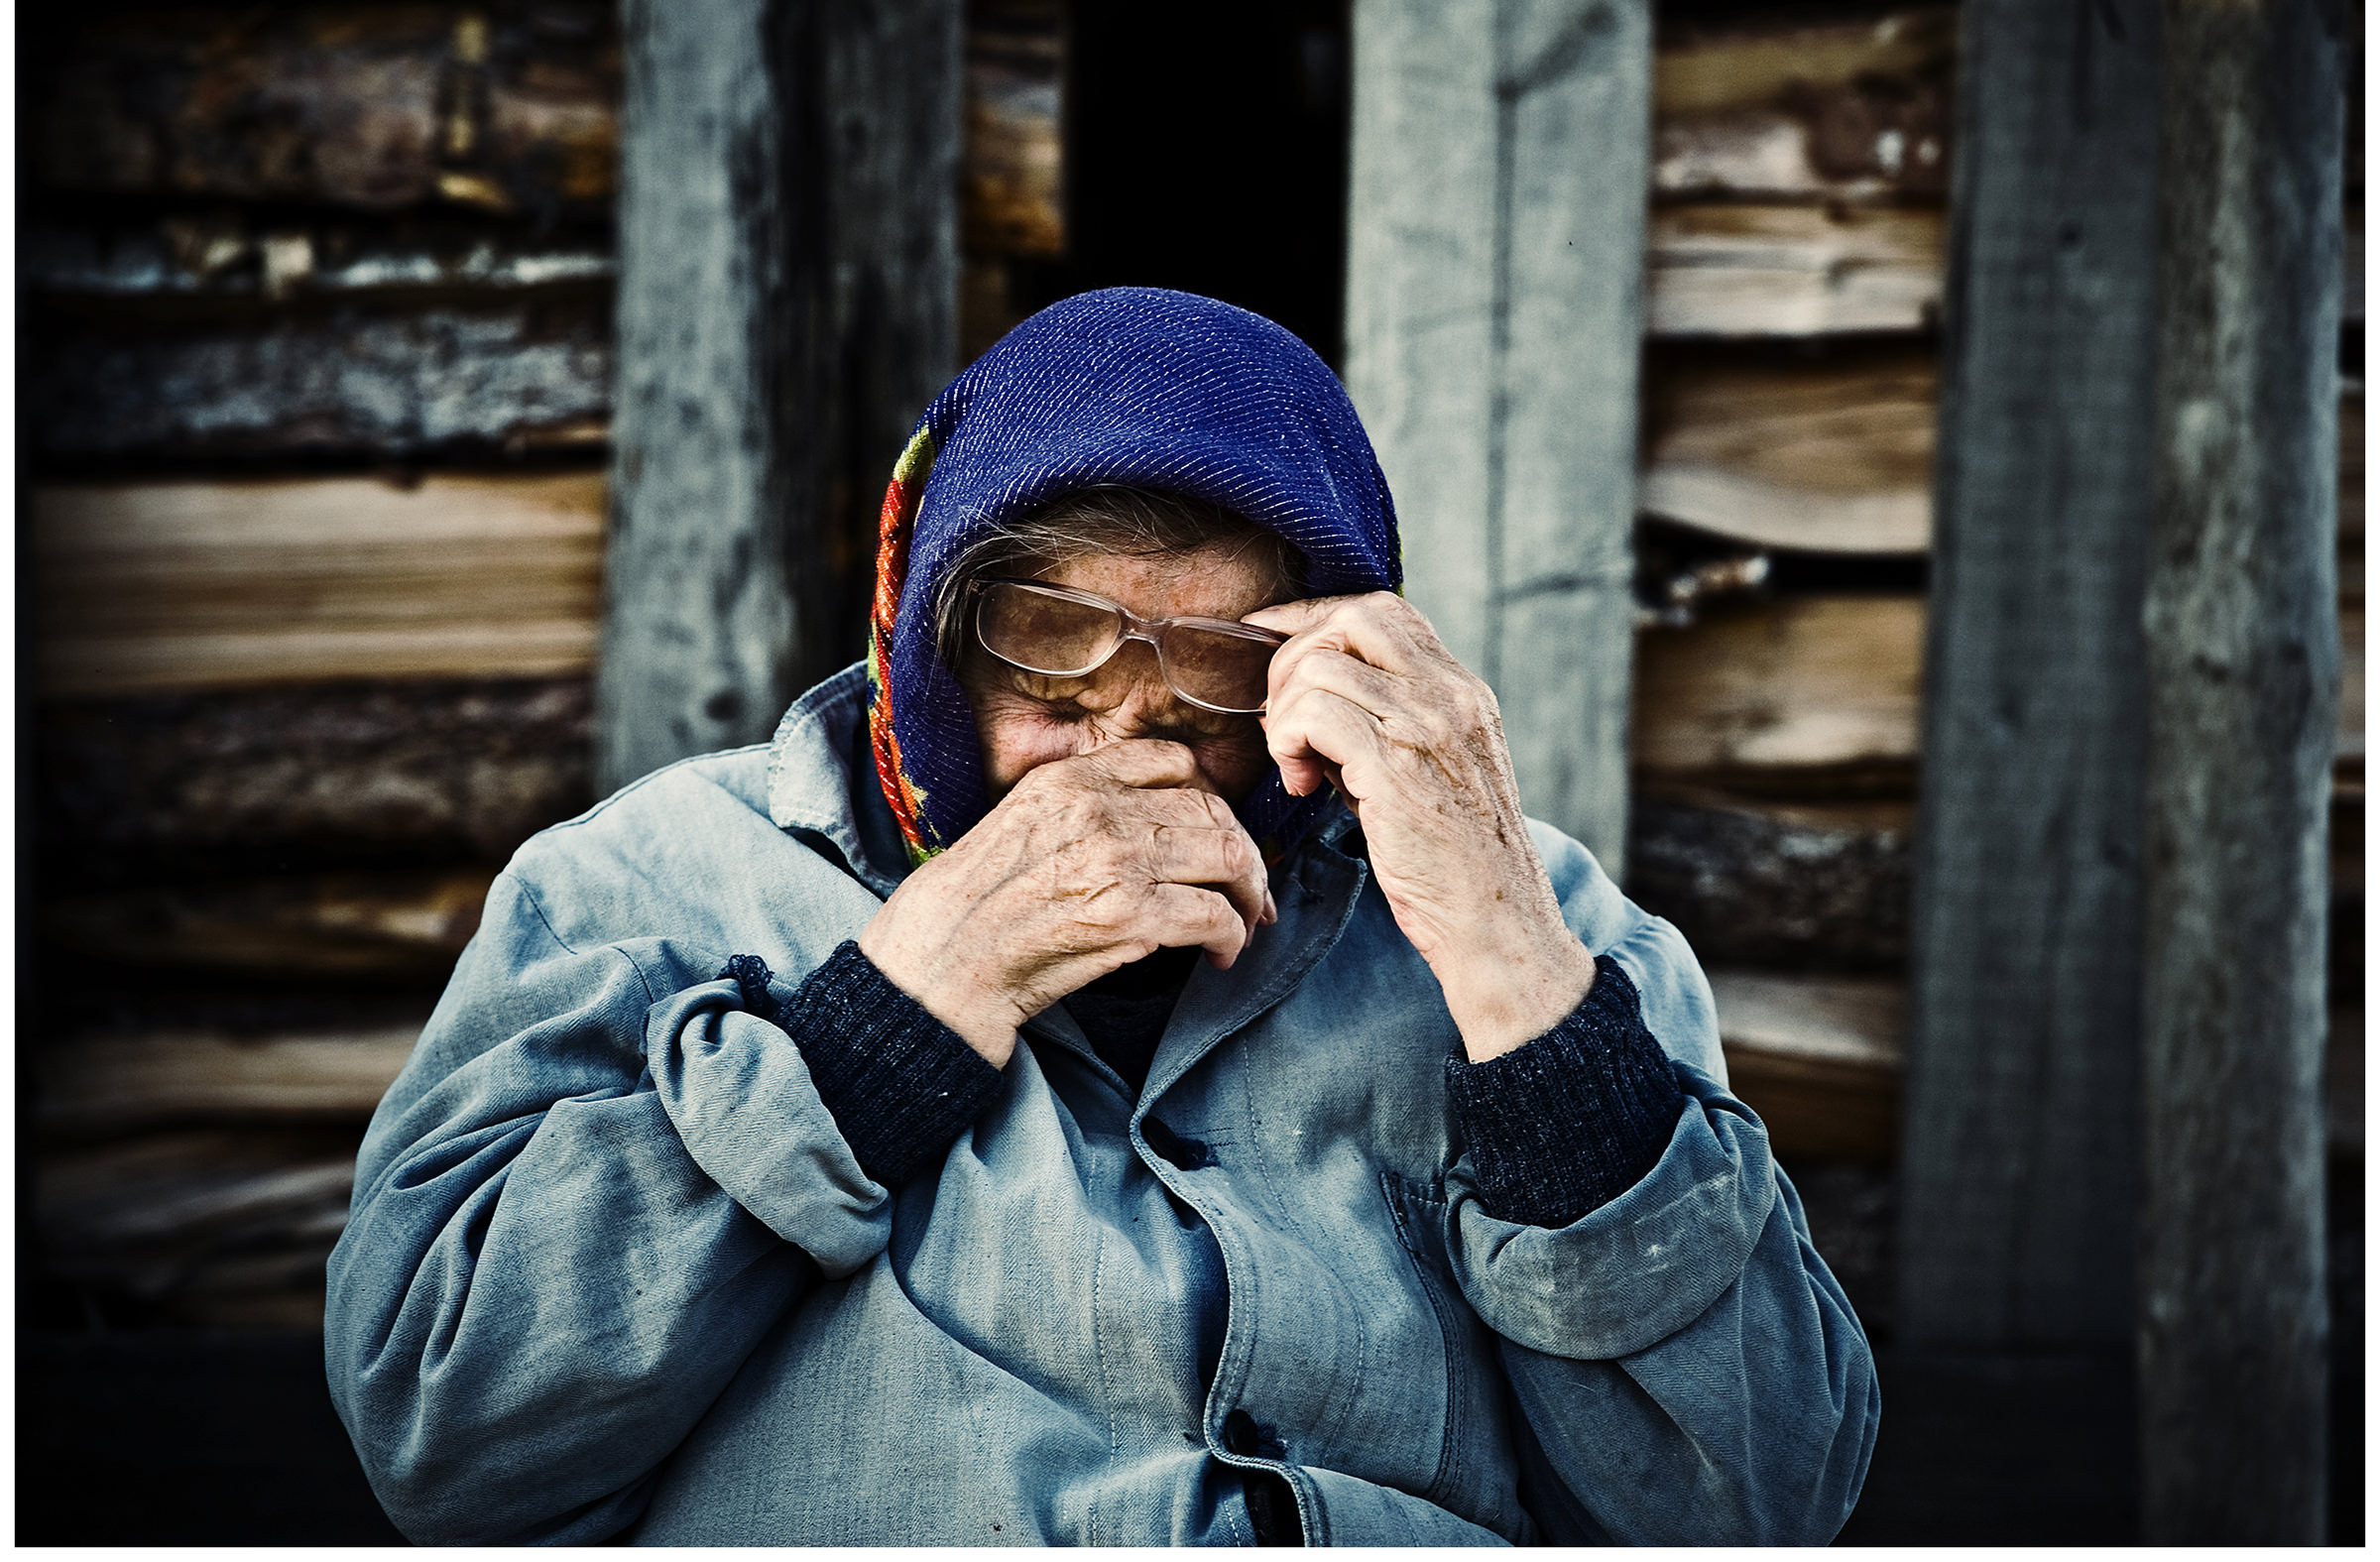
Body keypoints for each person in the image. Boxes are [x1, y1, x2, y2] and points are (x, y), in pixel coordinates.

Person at [325, 287, 1877, 1545]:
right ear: (930, 631)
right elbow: (446, 1435)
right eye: (1043, 641)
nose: (1128, 740)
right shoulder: (649, 884)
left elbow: (1756, 1506)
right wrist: (896, 1010)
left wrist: (1506, 964)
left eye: (1216, 662)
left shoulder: (1534, 922)